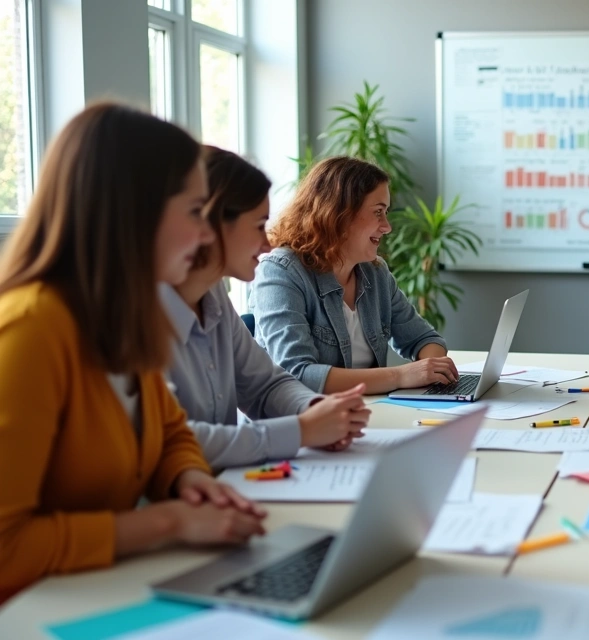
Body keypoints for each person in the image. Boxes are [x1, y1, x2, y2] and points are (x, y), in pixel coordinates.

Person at [0, 104, 265, 600]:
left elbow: (167, 432)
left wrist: (189, 479)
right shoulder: (30, 331)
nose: (207, 234)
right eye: (194, 212)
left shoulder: (125, 315)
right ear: (133, 212)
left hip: (97, 590)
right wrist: (165, 523)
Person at [163, 147, 371, 469]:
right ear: (214, 225)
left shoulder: (213, 293)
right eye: (259, 225)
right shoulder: (139, 313)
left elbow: (264, 385)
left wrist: (314, 409)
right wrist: (302, 430)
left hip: (224, 486)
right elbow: (170, 441)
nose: (268, 243)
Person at [250, 157, 457, 394]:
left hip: (366, 413)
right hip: (302, 423)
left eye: (386, 212)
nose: (387, 226)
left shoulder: (375, 272)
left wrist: (431, 369)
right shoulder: (280, 271)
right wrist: (400, 376)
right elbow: (299, 374)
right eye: (378, 212)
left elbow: (424, 339)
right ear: (340, 213)